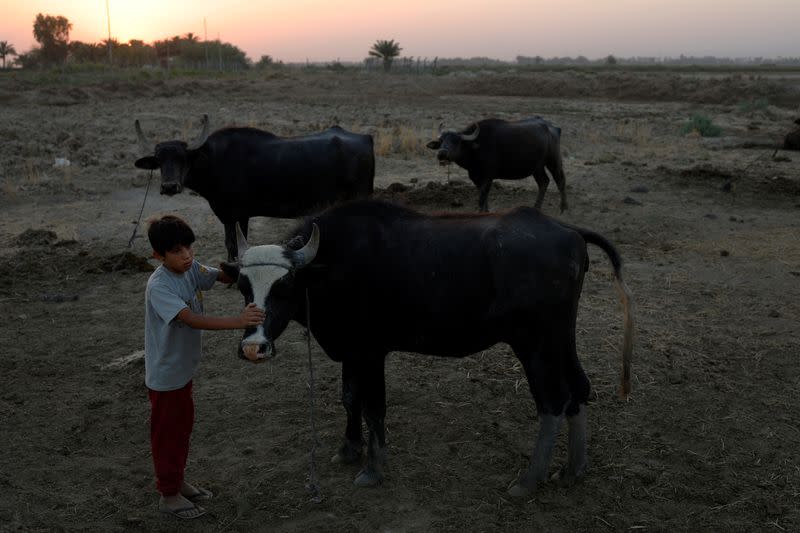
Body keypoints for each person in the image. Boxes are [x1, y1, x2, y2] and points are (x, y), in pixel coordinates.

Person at [143, 214, 264, 520]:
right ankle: (168, 495)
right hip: (166, 376)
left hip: (183, 371)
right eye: (176, 251)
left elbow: (219, 276)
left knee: (182, 429)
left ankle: (176, 480)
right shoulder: (159, 286)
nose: (186, 255)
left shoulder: (190, 269)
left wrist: (251, 269)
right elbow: (190, 319)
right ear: (158, 256)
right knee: (167, 434)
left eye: (189, 248)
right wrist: (238, 321)